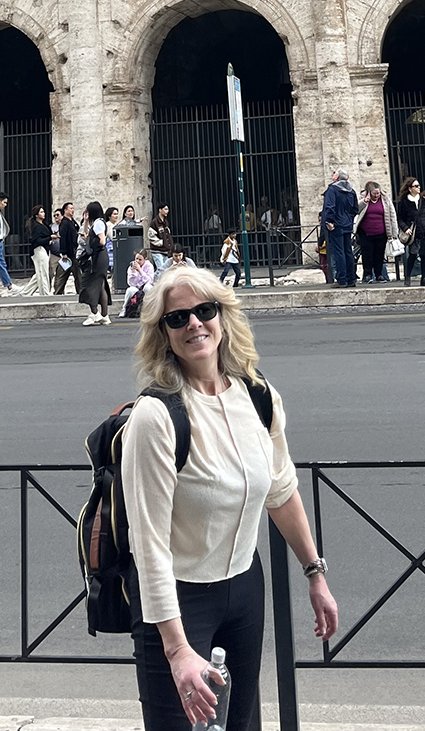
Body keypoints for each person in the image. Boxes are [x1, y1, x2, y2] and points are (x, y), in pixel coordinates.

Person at [121, 267, 338, 731]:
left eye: (205, 311)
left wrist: (315, 573)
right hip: (178, 600)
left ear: (223, 317)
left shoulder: (258, 397)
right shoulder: (156, 417)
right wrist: (177, 650)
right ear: (163, 332)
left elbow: (280, 490)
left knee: (241, 723)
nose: (194, 324)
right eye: (178, 318)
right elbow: (149, 546)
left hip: (243, 587)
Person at [320, 168, 359, 287]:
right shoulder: (351, 191)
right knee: (348, 251)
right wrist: (349, 220)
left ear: (337, 177)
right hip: (347, 224)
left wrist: (329, 221)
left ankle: (342, 279)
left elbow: (330, 206)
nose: (332, 175)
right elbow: (355, 209)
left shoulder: (332, 189)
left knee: (339, 252)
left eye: (334, 173)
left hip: (336, 224)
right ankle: (351, 278)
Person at [396, 176, 425, 288]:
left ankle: (424, 278)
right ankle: (407, 277)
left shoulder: (423, 201)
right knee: (413, 254)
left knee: (424, 255)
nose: (418, 188)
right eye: (416, 186)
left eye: (418, 186)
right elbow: (400, 218)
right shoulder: (403, 202)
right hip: (413, 232)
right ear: (409, 188)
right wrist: (405, 228)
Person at [79, 199, 111, 326]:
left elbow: (102, 240)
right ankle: (104, 315)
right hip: (101, 257)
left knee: (90, 284)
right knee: (101, 285)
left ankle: (94, 313)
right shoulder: (99, 222)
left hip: (97, 257)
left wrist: (92, 243)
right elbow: (87, 233)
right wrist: (86, 220)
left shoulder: (98, 224)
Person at [354, 182, 389, 283]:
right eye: (374, 193)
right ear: (369, 193)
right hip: (366, 232)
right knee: (367, 254)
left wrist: (392, 232)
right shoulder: (363, 198)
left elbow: (391, 214)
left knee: (379, 254)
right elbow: (356, 209)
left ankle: (379, 275)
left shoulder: (384, 199)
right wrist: (365, 201)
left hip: (381, 232)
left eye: (378, 193)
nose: (377, 195)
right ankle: (367, 274)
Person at [21, 205, 53, 295]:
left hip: (45, 249)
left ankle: (26, 292)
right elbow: (37, 240)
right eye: (41, 212)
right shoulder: (36, 226)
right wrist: (49, 238)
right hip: (39, 250)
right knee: (42, 273)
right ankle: (45, 293)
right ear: (36, 215)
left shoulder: (43, 225)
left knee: (40, 273)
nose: (44, 213)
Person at [120, 250, 156, 317]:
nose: (137, 261)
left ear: (145, 259)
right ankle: (124, 309)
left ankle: (151, 309)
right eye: (136, 259)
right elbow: (131, 283)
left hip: (145, 286)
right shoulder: (131, 267)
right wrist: (133, 273)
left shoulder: (149, 266)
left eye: (140, 259)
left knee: (148, 287)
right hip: (136, 287)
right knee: (130, 290)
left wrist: (140, 271)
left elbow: (149, 281)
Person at [54, 202, 80, 295]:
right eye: (70, 208)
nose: (72, 210)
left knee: (75, 273)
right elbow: (63, 238)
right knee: (64, 273)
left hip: (74, 251)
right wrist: (63, 252)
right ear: (65, 210)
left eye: (73, 208)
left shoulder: (72, 222)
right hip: (68, 252)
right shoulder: (64, 222)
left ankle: (80, 291)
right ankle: (58, 291)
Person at [148, 206, 173, 273]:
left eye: (167, 209)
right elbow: (151, 236)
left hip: (165, 250)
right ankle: (152, 280)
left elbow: (168, 235)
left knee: (166, 270)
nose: (167, 211)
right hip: (157, 251)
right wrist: (161, 243)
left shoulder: (165, 222)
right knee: (161, 270)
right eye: (165, 209)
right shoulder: (154, 222)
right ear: (160, 210)